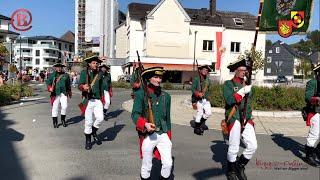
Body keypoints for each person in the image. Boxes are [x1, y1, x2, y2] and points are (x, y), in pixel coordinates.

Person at [131, 66, 173, 180]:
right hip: (148, 135)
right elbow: (135, 114)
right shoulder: (140, 94)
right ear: (149, 79)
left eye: (160, 77)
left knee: (168, 164)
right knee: (147, 164)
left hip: (163, 133)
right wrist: (145, 124)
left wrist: (168, 135)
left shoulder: (166, 96)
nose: (159, 80)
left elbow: (168, 118)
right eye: (155, 77)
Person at [223, 58, 257, 180]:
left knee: (253, 145)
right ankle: (231, 170)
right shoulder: (228, 84)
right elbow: (229, 100)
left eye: (245, 70)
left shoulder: (247, 85)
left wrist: (249, 116)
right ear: (235, 71)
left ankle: (240, 165)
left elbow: (249, 103)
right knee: (234, 146)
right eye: (241, 70)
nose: (244, 72)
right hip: (235, 117)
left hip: (246, 118)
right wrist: (242, 91)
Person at [78, 55, 104, 150]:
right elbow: (79, 85)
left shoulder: (100, 73)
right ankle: (88, 141)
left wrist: (103, 98)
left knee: (100, 118)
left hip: (97, 99)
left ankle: (93, 131)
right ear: (89, 64)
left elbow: (101, 85)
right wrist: (83, 87)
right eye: (93, 63)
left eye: (97, 63)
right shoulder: (84, 73)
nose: (96, 64)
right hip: (88, 99)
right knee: (88, 122)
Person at [46, 63, 72, 128]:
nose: (59, 68)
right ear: (55, 68)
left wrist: (69, 91)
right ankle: (55, 122)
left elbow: (68, 84)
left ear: (62, 68)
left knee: (65, 106)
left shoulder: (66, 75)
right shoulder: (52, 75)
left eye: (60, 67)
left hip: (64, 93)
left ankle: (63, 120)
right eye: (57, 67)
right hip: (55, 94)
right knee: (55, 108)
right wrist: (50, 88)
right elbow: (48, 83)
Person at [304, 63, 320, 167]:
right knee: (314, 135)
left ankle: (315, 152)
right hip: (316, 112)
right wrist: (317, 99)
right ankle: (308, 156)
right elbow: (308, 97)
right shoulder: (313, 83)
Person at [191, 65, 213, 135]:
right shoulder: (196, 79)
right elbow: (193, 89)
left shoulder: (208, 80)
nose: (205, 71)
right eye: (203, 69)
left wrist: (209, 96)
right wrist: (198, 94)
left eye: (206, 70)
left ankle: (198, 123)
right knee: (200, 113)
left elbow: (209, 89)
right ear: (200, 70)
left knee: (208, 113)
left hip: (206, 99)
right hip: (198, 99)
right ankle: (197, 128)